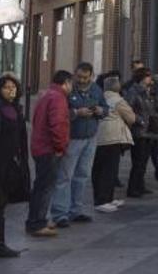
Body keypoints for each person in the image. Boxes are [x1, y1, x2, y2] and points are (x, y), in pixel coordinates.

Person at [51, 62, 107, 228]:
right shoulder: (68, 90)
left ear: (91, 76)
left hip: (90, 137)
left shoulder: (96, 89)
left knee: (82, 175)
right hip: (73, 138)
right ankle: (60, 213)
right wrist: (77, 113)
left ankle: (76, 210)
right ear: (75, 74)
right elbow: (59, 113)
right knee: (65, 176)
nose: (82, 80)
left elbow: (106, 108)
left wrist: (99, 110)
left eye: (85, 77)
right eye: (79, 76)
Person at [26, 71, 72, 237]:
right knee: (45, 187)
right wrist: (60, 147)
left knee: (41, 186)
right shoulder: (58, 98)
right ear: (66, 82)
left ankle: (38, 219)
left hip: (40, 146)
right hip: (49, 149)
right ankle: (37, 223)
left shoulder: (46, 94)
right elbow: (57, 125)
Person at [92, 76, 135, 213]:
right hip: (113, 137)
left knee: (98, 169)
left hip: (98, 136)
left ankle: (102, 198)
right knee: (109, 170)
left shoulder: (98, 96)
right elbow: (131, 117)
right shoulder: (118, 100)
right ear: (117, 87)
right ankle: (104, 200)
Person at [0, 75, 29, 256]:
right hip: (1, 164)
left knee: (2, 205)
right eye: (6, 87)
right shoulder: (2, 110)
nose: (11, 90)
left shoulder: (15, 109)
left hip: (10, 165)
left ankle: (1, 243)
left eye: (13, 87)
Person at [125, 67, 158, 198]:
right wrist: (141, 121)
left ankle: (140, 185)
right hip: (139, 131)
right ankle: (132, 188)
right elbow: (128, 109)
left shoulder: (147, 92)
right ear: (142, 78)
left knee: (144, 161)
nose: (151, 78)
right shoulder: (134, 92)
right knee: (138, 161)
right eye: (148, 76)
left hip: (148, 131)